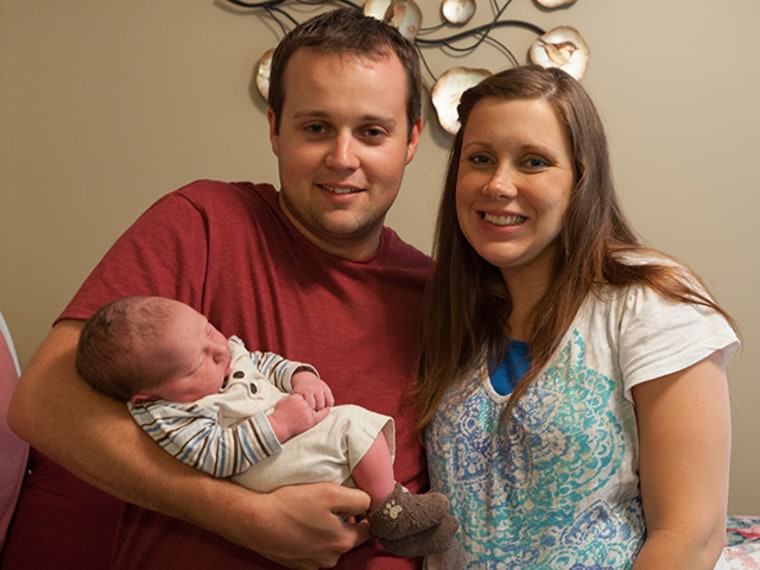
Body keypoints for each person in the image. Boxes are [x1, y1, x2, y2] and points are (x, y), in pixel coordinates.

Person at [7, 7, 429, 570]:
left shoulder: (439, 294)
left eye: (372, 131)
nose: (342, 157)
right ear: (275, 129)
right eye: (315, 127)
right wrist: (251, 519)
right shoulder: (204, 221)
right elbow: (42, 403)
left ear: (411, 139)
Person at [414, 65, 739, 569]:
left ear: (581, 179)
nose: (498, 184)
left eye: (533, 162)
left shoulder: (650, 302)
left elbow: (690, 536)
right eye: (480, 159)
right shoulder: (448, 312)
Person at [75, 296, 457, 557]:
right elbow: (215, 456)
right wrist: (278, 424)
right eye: (197, 364)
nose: (220, 351)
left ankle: (387, 517)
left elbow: (264, 362)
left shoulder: (223, 354)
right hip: (260, 467)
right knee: (352, 425)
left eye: (209, 330)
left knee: (350, 439)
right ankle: (389, 508)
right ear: (147, 395)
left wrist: (301, 378)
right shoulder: (170, 416)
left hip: (290, 442)